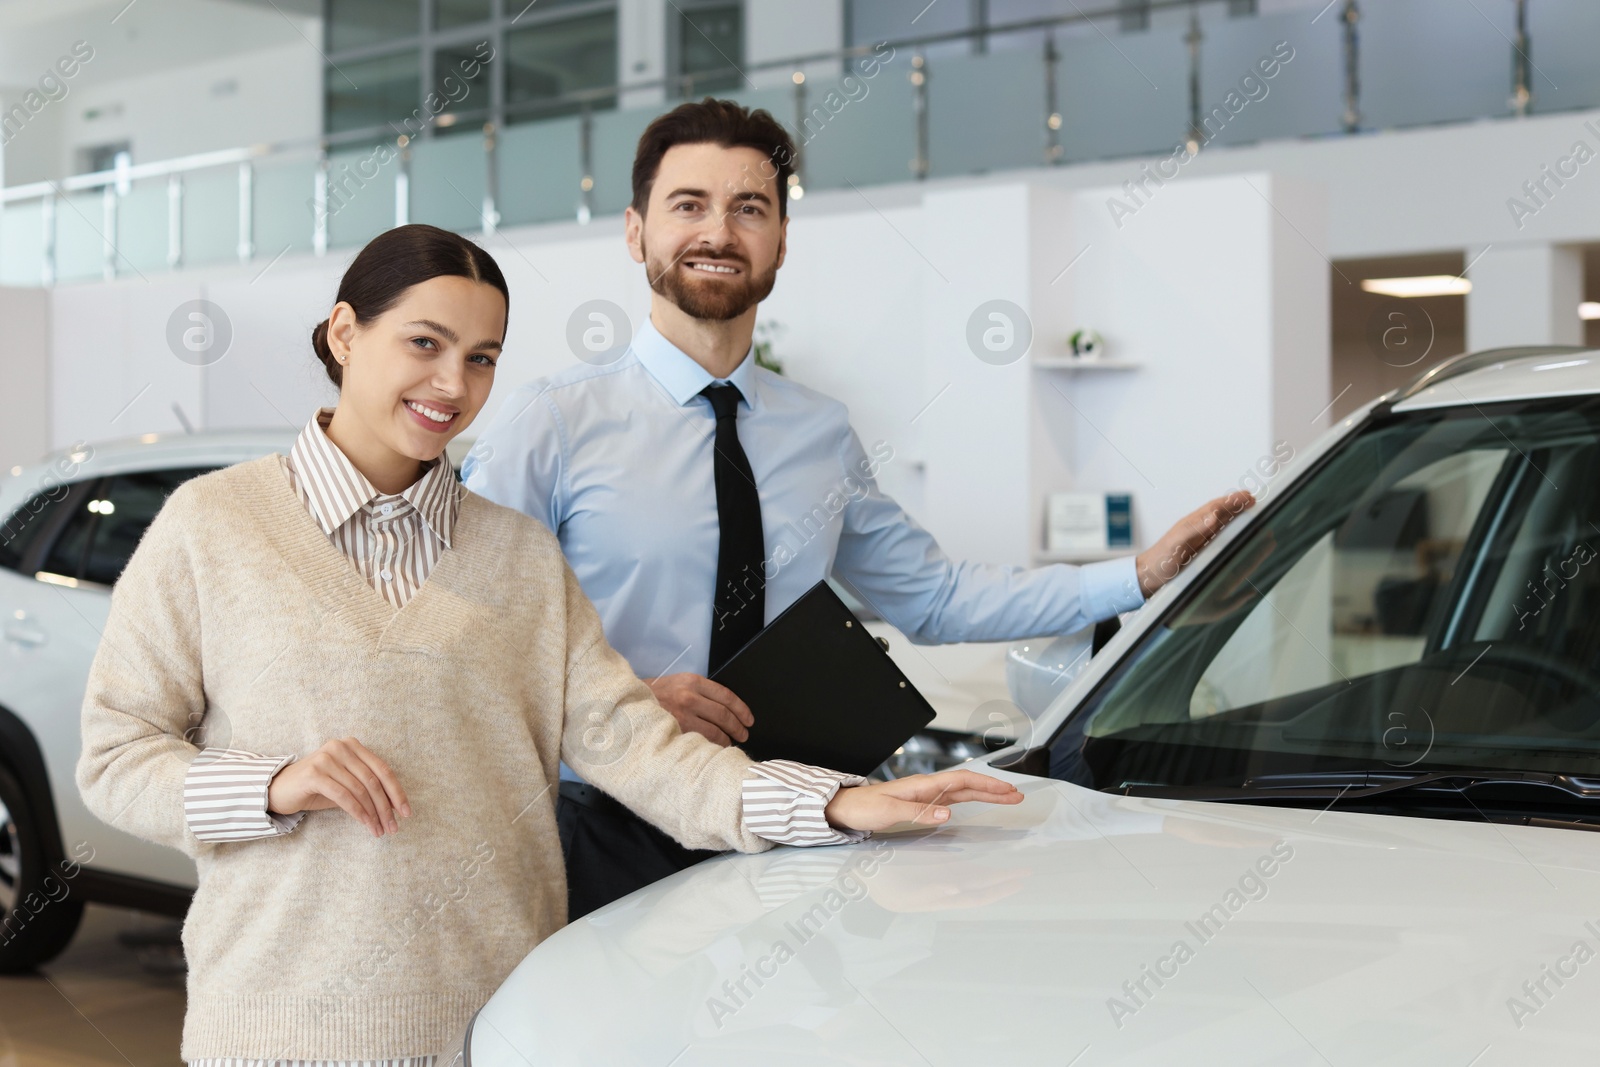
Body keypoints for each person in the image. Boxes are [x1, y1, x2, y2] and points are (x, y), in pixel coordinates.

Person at [75, 223, 1023, 1066]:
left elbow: (650, 758)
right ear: (343, 332)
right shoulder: (213, 525)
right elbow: (117, 761)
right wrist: (273, 785)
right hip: (277, 1031)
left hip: (506, 1023)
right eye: (425, 343)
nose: (454, 385)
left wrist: (845, 802)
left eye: (483, 357)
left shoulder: (519, 555)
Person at [463, 99, 1254, 920]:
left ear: (779, 242)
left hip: (790, 813)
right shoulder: (549, 424)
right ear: (636, 233)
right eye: (689, 205)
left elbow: (935, 597)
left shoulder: (818, 430)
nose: (718, 231)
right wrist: (615, 702)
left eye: (750, 208)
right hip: (604, 823)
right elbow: (462, 643)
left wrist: (1137, 575)